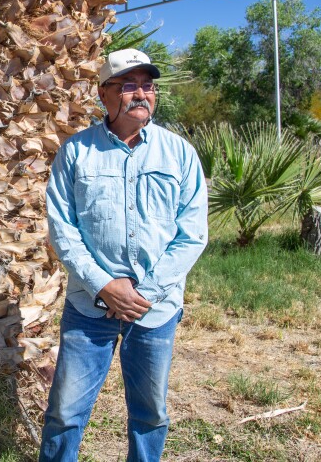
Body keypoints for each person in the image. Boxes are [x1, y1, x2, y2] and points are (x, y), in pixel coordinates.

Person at [39, 48, 209, 462]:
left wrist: (139, 292)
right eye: (128, 85)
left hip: (155, 307)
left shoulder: (180, 153)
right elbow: (63, 230)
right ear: (104, 94)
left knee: (150, 413)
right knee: (65, 411)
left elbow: (192, 235)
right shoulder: (76, 153)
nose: (140, 94)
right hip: (89, 305)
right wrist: (105, 285)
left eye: (147, 86)